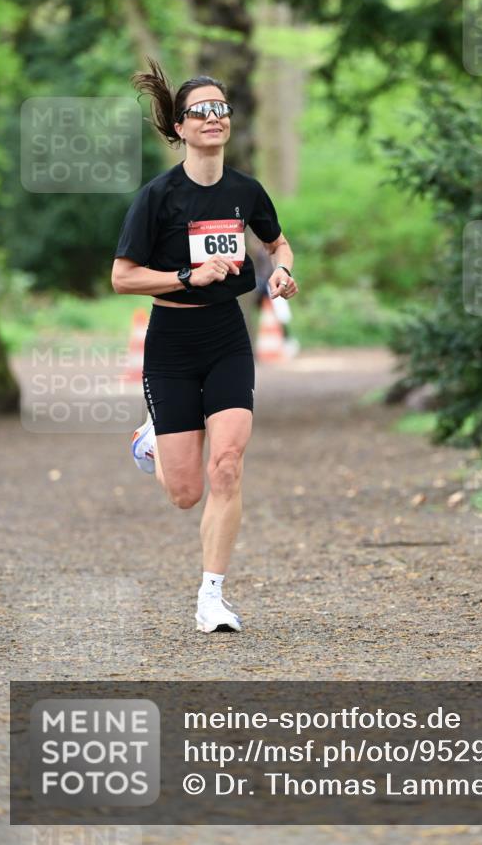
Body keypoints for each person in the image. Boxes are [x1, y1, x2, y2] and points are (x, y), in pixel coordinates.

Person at [111, 58, 298, 634]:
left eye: (221, 109)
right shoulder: (158, 197)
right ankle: (152, 441)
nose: (214, 118)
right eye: (201, 111)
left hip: (225, 336)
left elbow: (279, 242)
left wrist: (281, 274)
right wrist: (187, 278)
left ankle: (211, 597)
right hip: (170, 340)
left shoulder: (246, 190)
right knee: (186, 493)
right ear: (180, 127)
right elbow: (123, 277)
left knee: (228, 465)